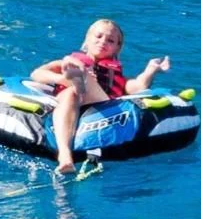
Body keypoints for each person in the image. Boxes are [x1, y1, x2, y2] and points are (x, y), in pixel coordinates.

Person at [30, 19, 171, 175]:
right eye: (98, 36)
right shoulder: (69, 61)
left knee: (77, 80)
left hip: (100, 103)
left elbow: (138, 87)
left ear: (117, 48)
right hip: (70, 96)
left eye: (110, 40)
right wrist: (61, 79)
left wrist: (152, 69)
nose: (103, 41)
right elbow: (37, 74)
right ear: (87, 39)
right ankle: (65, 156)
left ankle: (80, 78)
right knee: (71, 90)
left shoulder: (115, 73)